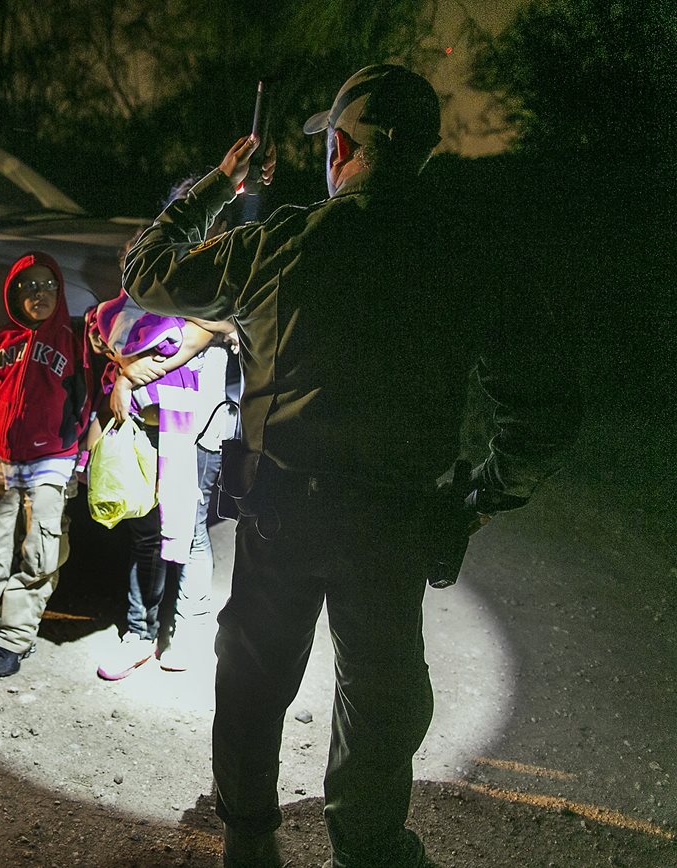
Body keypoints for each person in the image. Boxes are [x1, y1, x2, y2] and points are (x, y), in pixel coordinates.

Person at [122, 64, 581, 867]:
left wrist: (216, 188)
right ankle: (367, 848)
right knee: (380, 696)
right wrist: (479, 494)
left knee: (254, 680)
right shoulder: (469, 260)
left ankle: (249, 840)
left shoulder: (278, 245)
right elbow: (546, 405)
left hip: (280, 517)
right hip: (395, 522)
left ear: (339, 145)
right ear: (425, 156)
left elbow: (148, 273)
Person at [0, 252, 88, 679]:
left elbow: (85, 403)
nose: (38, 294)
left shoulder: (72, 343)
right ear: (14, 294)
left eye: (47, 286)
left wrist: (76, 455)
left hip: (51, 465)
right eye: (28, 287)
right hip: (1, 465)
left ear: (58, 290)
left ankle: (12, 640)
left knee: (40, 555)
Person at [85, 290, 226, 679]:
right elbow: (107, 342)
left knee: (191, 532)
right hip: (146, 430)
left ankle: (188, 631)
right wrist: (125, 373)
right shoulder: (118, 317)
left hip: (198, 429)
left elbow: (219, 325)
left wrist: (130, 375)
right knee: (146, 534)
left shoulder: (205, 301)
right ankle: (139, 633)